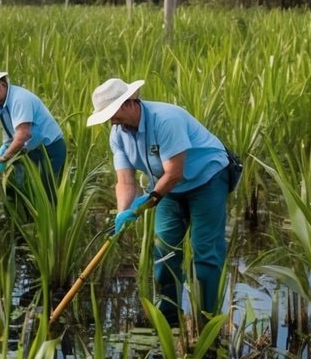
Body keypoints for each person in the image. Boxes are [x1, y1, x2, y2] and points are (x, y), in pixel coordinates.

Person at [87, 77, 233, 327]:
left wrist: (149, 199)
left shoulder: (166, 119)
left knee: (204, 251)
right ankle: (169, 318)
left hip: (207, 179)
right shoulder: (117, 135)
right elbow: (125, 180)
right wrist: (124, 212)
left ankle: (207, 321)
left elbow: (175, 173)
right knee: (164, 250)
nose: (112, 121)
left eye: (114, 114)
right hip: (166, 186)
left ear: (130, 103)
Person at [0, 68, 67, 200]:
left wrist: (4, 159)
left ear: (1, 85)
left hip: (50, 150)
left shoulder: (19, 99)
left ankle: (49, 218)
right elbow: (9, 136)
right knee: (20, 187)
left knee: (46, 193)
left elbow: (23, 135)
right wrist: (1, 155)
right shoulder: (1, 106)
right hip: (32, 150)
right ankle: (21, 217)